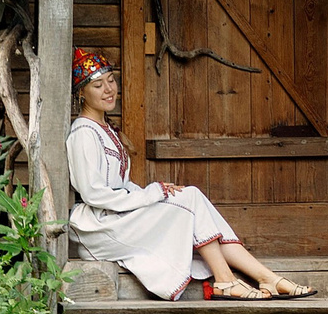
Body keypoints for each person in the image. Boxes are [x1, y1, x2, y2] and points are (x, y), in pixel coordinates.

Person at [64, 49, 313, 300]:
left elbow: (123, 186)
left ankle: (262, 278)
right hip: (98, 226)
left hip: (117, 217)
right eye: (98, 85)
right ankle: (239, 280)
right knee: (190, 198)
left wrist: (157, 191)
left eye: (111, 80)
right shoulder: (84, 132)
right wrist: (153, 193)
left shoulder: (106, 129)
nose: (108, 89)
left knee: (188, 197)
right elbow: (94, 193)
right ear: (81, 93)